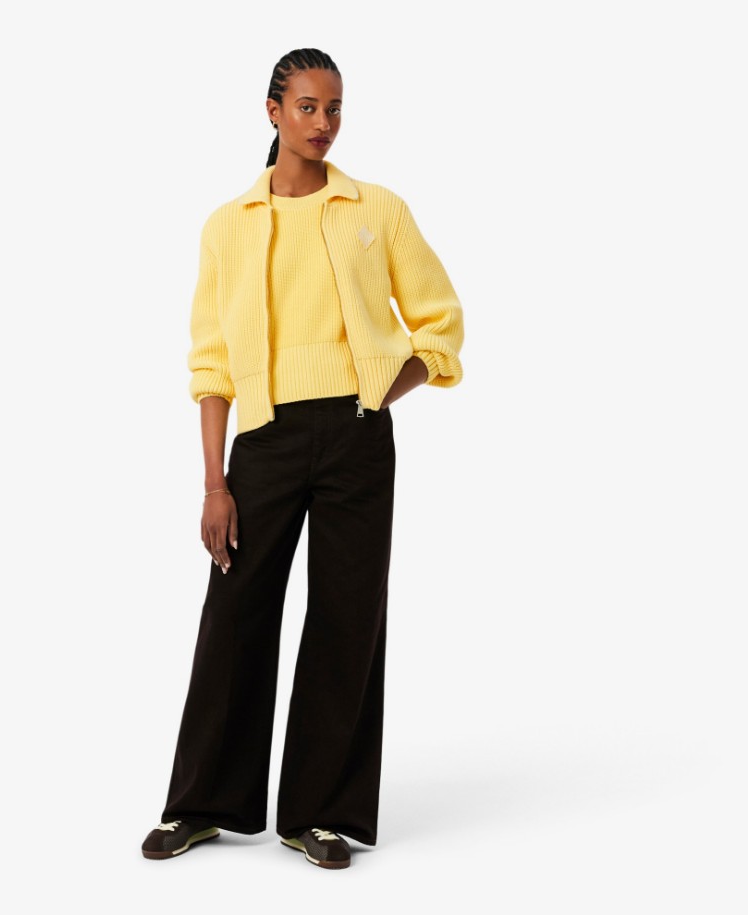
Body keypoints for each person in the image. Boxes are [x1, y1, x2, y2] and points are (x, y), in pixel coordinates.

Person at [141, 47, 465, 870]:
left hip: (356, 433)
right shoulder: (228, 225)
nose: (323, 123)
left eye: (334, 108)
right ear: (273, 111)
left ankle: (318, 813)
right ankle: (202, 803)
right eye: (308, 107)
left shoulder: (376, 208)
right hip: (265, 436)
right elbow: (211, 363)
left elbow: (439, 323)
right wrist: (213, 483)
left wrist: (376, 395)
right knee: (234, 613)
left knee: (346, 618)